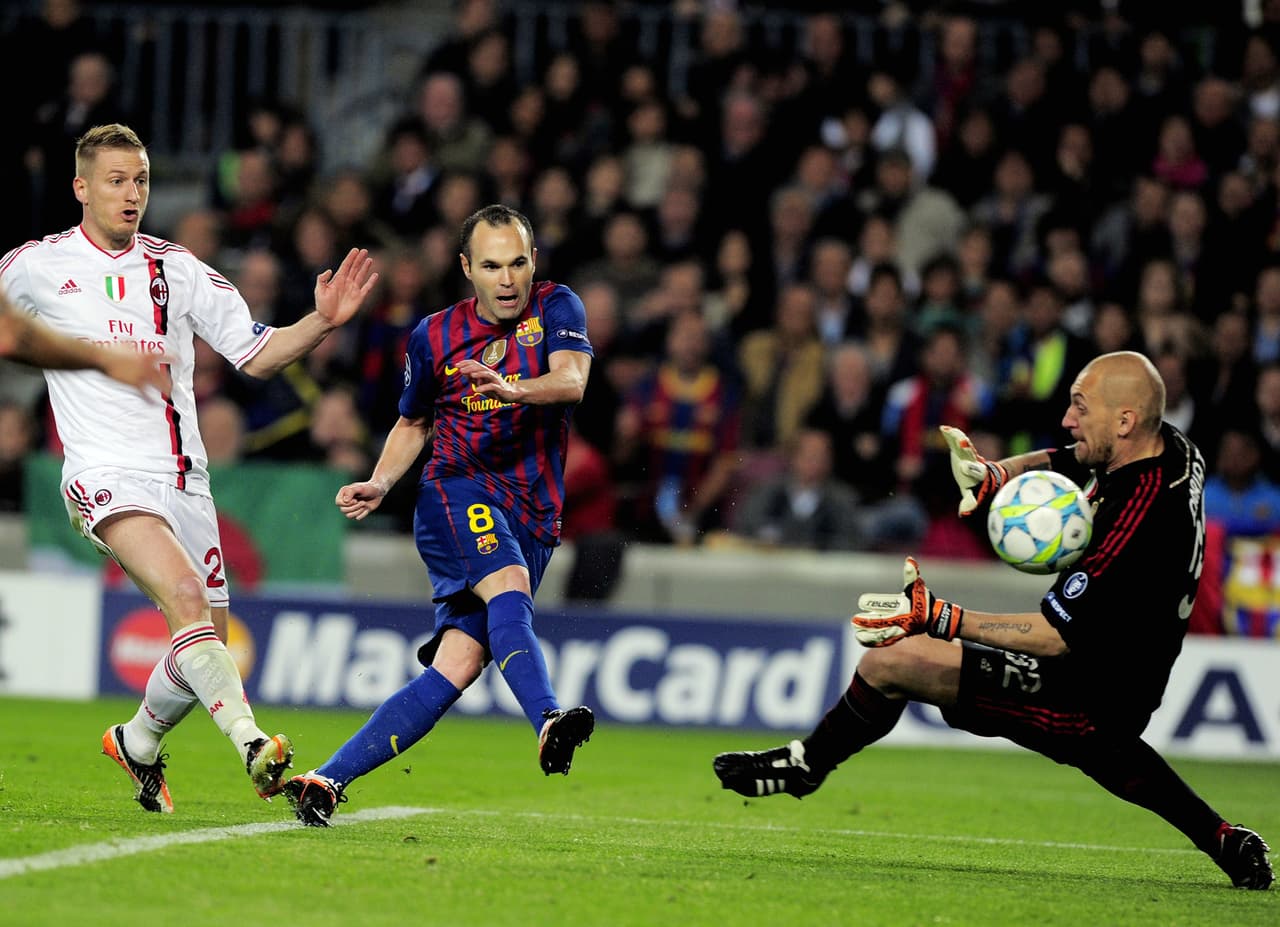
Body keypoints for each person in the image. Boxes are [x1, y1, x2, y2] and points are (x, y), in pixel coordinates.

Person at [712, 351, 1274, 891]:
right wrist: (1002, 471)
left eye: (1080, 406)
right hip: (1108, 663)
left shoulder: (1141, 519)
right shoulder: (1173, 448)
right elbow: (1077, 456)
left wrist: (941, 617)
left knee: (1095, 738)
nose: (1066, 418)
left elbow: (1054, 638)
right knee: (893, 663)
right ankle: (1225, 840)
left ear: (1125, 419)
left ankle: (806, 765)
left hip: (1090, 684)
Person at [0, 123, 379, 814]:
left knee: (205, 634)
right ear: (81, 187)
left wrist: (321, 322)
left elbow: (257, 353)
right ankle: (252, 742)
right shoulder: (36, 264)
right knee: (183, 595)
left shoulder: (178, 268)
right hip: (102, 471)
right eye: (116, 180)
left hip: (186, 478)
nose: (132, 194)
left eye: (140, 180)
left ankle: (137, 739)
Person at [283, 204, 595, 826]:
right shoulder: (434, 336)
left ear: (533, 261)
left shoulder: (558, 307)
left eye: (517, 263)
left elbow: (572, 381)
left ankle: (325, 779)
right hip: (456, 492)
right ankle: (548, 720)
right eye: (491, 266)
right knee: (507, 588)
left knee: (458, 663)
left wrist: (515, 389)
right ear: (465, 268)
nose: (507, 280)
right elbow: (414, 421)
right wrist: (379, 480)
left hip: (533, 515)